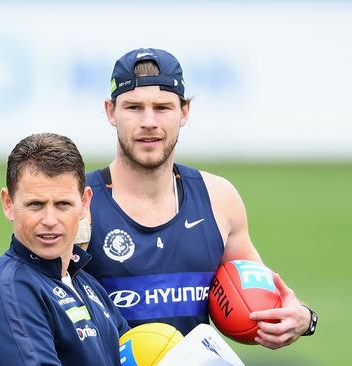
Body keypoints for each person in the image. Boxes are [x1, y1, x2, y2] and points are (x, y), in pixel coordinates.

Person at [75, 48, 317, 350]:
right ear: (111, 112)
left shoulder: (218, 198)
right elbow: (37, 305)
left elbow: (264, 302)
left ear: (184, 112)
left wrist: (304, 319)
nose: (149, 121)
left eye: (162, 108)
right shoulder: (76, 204)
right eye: (134, 107)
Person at [0, 133, 130, 366]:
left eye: (63, 204)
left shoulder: (86, 284)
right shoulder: (11, 292)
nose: (50, 220)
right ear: (8, 203)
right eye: (36, 204)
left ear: (84, 203)